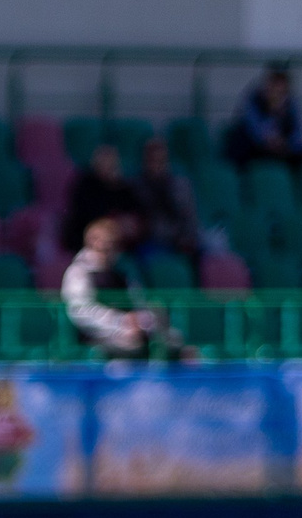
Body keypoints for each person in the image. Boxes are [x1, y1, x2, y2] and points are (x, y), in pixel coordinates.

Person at [62, 216, 167, 358]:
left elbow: (139, 303)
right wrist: (120, 323)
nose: (109, 251)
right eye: (104, 246)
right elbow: (81, 311)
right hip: (96, 338)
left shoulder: (124, 271)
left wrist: (143, 321)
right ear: (91, 242)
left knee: (171, 344)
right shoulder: (78, 272)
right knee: (132, 349)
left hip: (133, 333)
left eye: (113, 245)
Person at [224, 66, 302, 171]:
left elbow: (299, 134)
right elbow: (253, 127)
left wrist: (285, 141)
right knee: (239, 144)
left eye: (281, 91)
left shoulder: (291, 105)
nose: (276, 93)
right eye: (274, 87)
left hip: (282, 149)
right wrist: (269, 137)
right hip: (258, 147)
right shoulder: (254, 100)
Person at [60, 143, 143, 254]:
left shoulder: (122, 186)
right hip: (86, 243)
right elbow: (87, 217)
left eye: (113, 163)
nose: (110, 166)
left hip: (121, 244)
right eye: (106, 162)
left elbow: (137, 211)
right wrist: (114, 222)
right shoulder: (85, 185)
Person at [131, 137, 200, 265]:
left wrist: (187, 239)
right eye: (152, 160)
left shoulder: (181, 185)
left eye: (161, 161)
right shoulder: (135, 187)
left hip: (181, 241)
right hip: (151, 242)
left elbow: (190, 217)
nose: (157, 166)